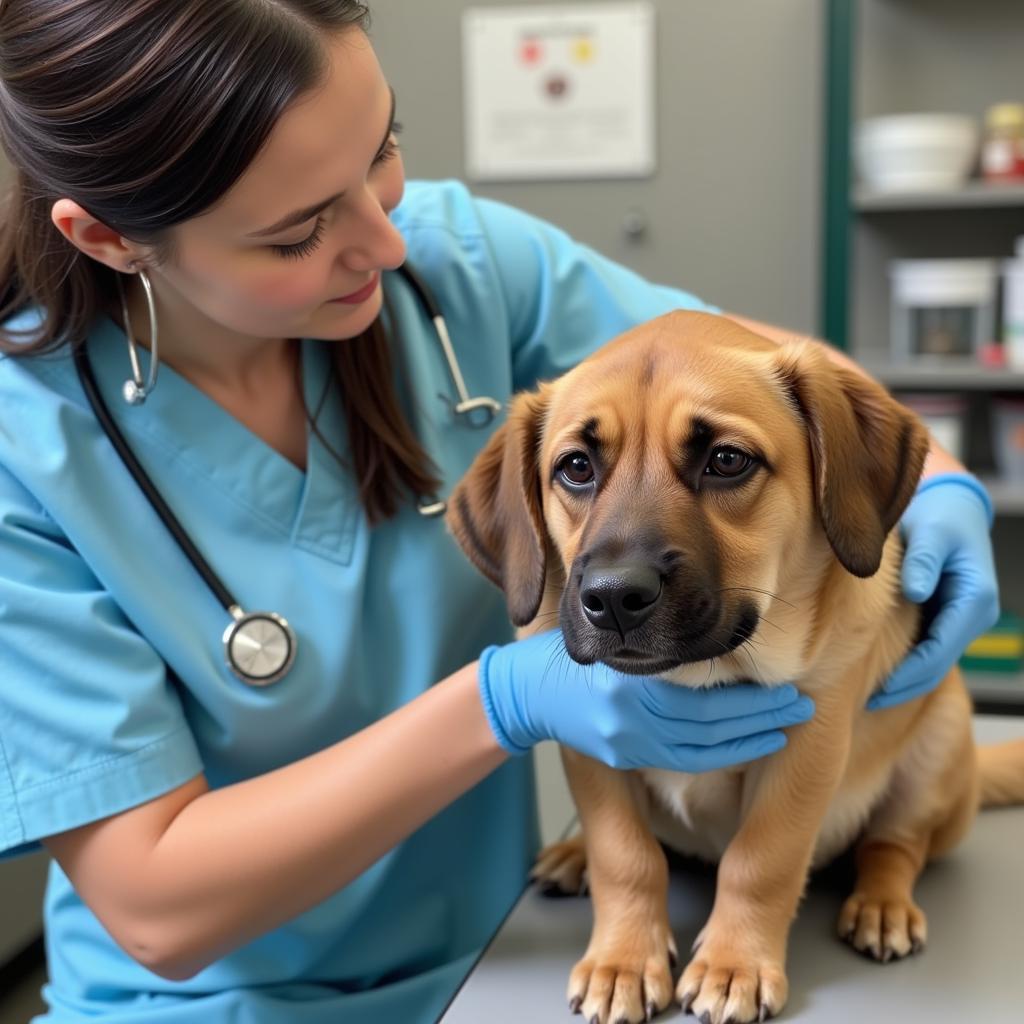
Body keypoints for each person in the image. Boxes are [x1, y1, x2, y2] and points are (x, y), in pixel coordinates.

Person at [0, 3, 998, 1022]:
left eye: (381, 147)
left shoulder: (457, 261)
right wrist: (500, 703)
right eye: (300, 229)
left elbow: (749, 365)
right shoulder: (20, 454)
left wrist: (942, 483)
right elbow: (157, 908)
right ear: (110, 237)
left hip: (508, 959)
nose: (384, 241)